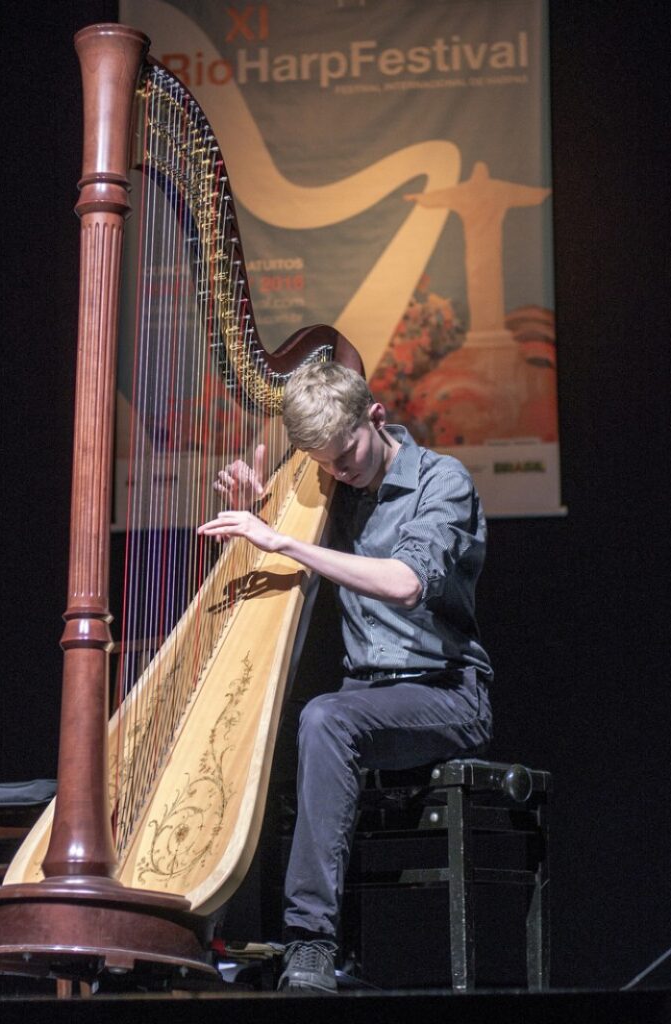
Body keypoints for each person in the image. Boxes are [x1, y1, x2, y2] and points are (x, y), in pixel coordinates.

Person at [198, 361, 493, 993]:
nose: (340, 470)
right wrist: (255, 515)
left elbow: (407, 583)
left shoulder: (442, 481)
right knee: (253, 728)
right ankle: (207, 939)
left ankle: (311, 943)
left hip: (445, 693)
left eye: (347, 453)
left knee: (325, 718)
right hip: (366, 698)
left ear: (375, 418)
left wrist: (285, 542)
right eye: (324, 462)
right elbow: (272, 575)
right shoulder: (327, 489)